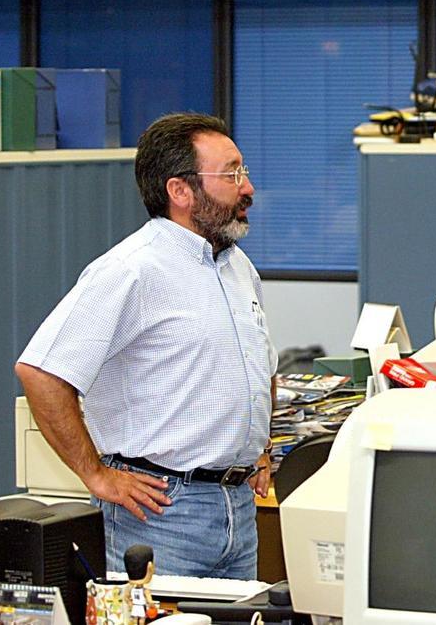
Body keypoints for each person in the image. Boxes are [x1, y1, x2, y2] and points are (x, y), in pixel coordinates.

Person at [15, 112, 278, 579]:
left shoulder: (237, 267)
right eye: (231, 173)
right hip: (162, 513)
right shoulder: (131, 270)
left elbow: (258, 365)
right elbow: (41, 371)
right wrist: (96, 475)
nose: (247, 188)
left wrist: (258, 449)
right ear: (180, 191)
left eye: (245, 171)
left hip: (238, 505)